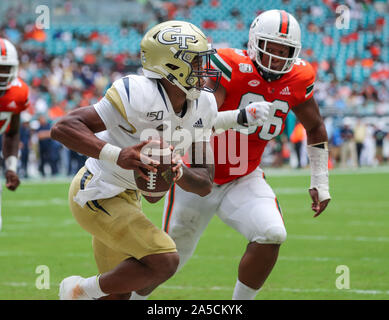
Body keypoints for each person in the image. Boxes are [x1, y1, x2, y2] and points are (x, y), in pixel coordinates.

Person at [51, 20, 268, 300]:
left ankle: (87, 291)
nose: (205, 69)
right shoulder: (136, 92)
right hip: (97, 191)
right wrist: (119, 155)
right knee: (165, 260)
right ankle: (79, 290)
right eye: (196, 61)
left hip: (129, 198)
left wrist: (178, 172)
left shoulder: (203, 104)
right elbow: (64, 127)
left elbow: (203, 182)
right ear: (171, 65)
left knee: (121, 293)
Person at [134, 10, 332, 300]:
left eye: (284, 51)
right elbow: (197, 120)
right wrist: (241, 116)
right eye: (271, 49)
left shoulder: (299, 77)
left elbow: (315, 127)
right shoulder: (229, 65)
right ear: (254, 43)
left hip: (244, 176)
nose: (276, 57)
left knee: (272, 232)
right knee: (169, 260)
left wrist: (321, 181)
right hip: (197, 174)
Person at [0, 38, 30, 229]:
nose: (2, 74)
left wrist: (11, 166)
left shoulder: (18, 93)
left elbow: (12, 132)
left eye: (5, 68)